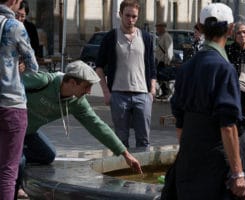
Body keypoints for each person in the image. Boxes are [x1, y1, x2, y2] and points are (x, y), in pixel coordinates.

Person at [15, 60, 143, 198]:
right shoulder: (43, 81)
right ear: (72, 82)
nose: (88, 91)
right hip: (7, 129)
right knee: (18, 161)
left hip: (27, 132)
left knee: (48, 155)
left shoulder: (77, 103)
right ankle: (13, 188)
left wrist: (125, 153)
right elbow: (7, 85)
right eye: (86, 86)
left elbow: (97, 126)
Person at [169, 3, 245, 199]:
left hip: (188, 162)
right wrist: (238, 173)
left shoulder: (186, 68)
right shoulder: (225, 69)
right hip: (215, 165)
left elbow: (179, 121)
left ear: (200, 28)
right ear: (231, 29)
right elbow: (228, 126)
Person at [95, 0, 156, 149]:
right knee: (121, 140)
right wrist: (106, 92)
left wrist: (152, 91)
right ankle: (125, 170)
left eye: (134, 16)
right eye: (127, 15)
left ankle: (142, 171)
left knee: (144, 140)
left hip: (142, 94)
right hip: (118, 95)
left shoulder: (146, 38)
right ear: (120, 14)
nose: (131, 20)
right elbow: (99, 67)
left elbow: (152, 66)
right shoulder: (111, 37)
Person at [0, 0, 39, 199]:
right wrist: (19, 62)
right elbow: (33, 66)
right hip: (11, 102)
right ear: (14, 1)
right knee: (8, 171)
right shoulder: (15, 26)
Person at [155, 22, 173, 99]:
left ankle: (166, 92)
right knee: (159, 76)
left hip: (164, 62)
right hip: (159, 61)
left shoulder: (166, 36)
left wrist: (167, 62)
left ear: (163, 28)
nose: (157, 29)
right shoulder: (161, 36)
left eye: (158, 27)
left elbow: (168, 50)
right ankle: (165, 92)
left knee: (162, 76)